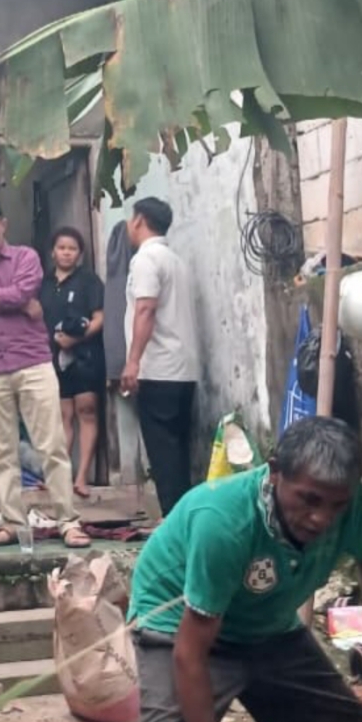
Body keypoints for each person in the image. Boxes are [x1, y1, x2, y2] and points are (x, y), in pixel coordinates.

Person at [127, 416, 362, 722]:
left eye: (337, 505)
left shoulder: (349, 505)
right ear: (275, 471)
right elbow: (189, 652)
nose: (322, 518)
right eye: (309, 500)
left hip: (267, 624)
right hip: (180, 623)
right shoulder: (223, 523)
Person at [0, 198, 90, 549]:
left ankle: (68, 522)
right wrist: (6, 303)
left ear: (3, 225)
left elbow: (23, 293)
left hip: (33, 363)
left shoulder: (26, 257)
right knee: (2, 451)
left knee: (52, 445)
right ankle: (12, 523)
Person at [120, 197, 198, 517]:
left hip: (158, 370)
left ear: (138, 220)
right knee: (178, 454)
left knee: (164, 457)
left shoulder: (145, 260)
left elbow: (146, 307)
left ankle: (173, 526)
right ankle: (183, 522)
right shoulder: (175, 261)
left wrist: (133, 361)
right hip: (184, 370)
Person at [39, 226, 105, 498]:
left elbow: (100, 317)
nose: (66, 252)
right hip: (54, 357)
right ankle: (58, 477)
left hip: (85, 355)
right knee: (62, 416)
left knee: (86, 411)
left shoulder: (89, 281)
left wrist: (75, 340)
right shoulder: (42, 285)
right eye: (62, 247)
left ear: (79, 254)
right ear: (53, 252)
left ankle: (82, 478)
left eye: (72, 248)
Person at [103, 218, 146, 488]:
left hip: (123, 363)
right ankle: (139, 479)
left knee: (128, 424)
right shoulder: (133, 276)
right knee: (140, 425)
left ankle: (133, 479)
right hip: (140, 365)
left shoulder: (114, 280)